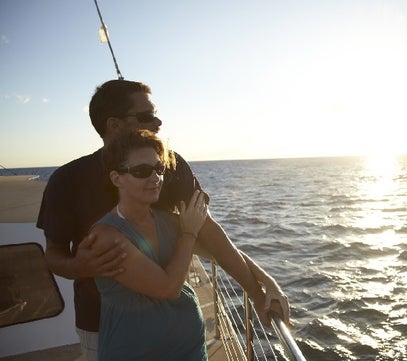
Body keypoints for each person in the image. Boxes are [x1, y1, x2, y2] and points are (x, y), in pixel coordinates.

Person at [37, 79, 289, 361]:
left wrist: (258, 292)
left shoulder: (169, 165)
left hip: (179, 331)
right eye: (146, 116)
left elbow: (208, 232)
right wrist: (79, 266)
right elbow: (53, 255)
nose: (158, 122)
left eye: (157, 169)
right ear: (114, 125)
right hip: (104, 326)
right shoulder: (66, 180)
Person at [94, 128, 209, 360]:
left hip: (191, 351)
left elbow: (217, 252)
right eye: (142, 171)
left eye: (159, 169)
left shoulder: (166, 220)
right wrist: (188, 234)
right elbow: (168, 289)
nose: (155, 178)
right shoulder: (106, 236)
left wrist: (265, 283)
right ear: (117, 178)